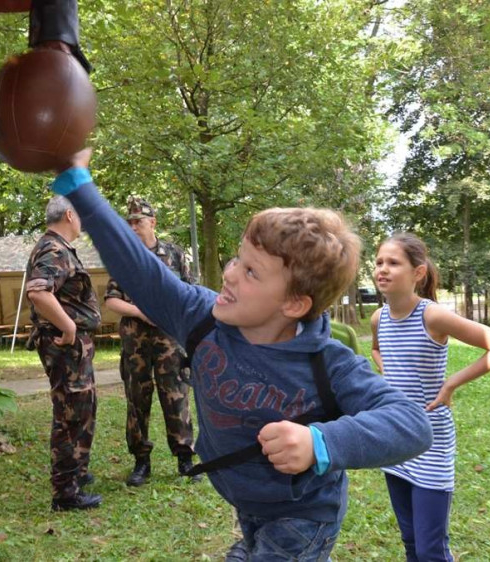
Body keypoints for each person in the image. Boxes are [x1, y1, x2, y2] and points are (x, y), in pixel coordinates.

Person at [50, 149, 433, 561]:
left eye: (251, 272)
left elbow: (412, 425)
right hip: (246, 503)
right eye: (238, 259)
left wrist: (319, 442)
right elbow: (140, 270)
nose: (230, 274)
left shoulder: (328, 364)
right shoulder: (201, 318)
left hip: (303, 517)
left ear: (293, 304)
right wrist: (78, 183)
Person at [370, 232, 490, 562]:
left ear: (418, 272)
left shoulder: (432, 316)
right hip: (396, 437)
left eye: (393, 262)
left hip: (431, 440)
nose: (382, 269)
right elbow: (378, 350)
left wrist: (450, 385)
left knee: (430, 550)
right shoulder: (378, 317)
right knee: (410, 542)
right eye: (379, 262)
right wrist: (389, 372)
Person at [103, 196, 198, 486]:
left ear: (153, 222)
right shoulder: (123, 258)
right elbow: (111, 300)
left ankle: (185, 458)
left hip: (170, 341)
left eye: (138, 222)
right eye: (129, 222)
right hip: (136, 344)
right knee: (137, 400)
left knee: (176, 397)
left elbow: (190, 293)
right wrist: (141, 312)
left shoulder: (175, 254)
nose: (132, 227)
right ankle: (141, 461)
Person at [25, 195, 102, 511]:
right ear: (70, 214)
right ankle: (65, 493)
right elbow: (38, 292)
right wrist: (68, 326)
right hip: (65, 346)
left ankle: (77, 472)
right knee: (70, 414)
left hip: (73, 348)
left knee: (82, 409)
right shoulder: (54, 249)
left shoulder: (58, 248)